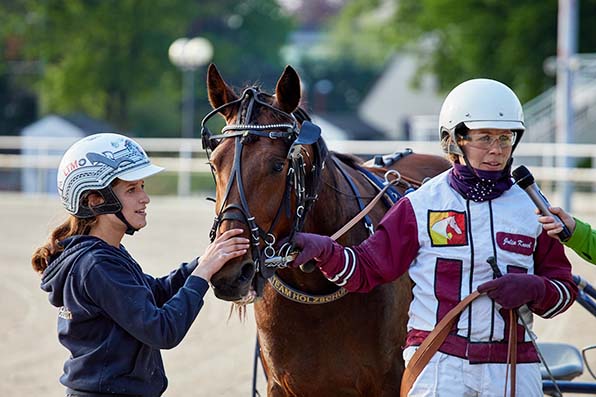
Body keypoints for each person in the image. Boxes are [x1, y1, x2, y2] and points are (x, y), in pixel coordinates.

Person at [288, 79, 578, 396]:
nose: (496, 149)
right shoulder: (420, 205)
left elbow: (564, 291)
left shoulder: (535, 210)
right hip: (439, 364)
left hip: (513, 365)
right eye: (484, 138)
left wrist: (535, 288)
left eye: (505, 138)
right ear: (454, 140)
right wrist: (326, 250)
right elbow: (368, 268)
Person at [31, 133, 249, 397]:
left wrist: (205, 262)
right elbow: (162, 330)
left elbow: (153, 293)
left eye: (142, 186)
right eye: (131, 190)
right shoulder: (95, 265)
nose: (145, 198)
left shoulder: (105, 254)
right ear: (95, 200)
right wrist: (202, 274)